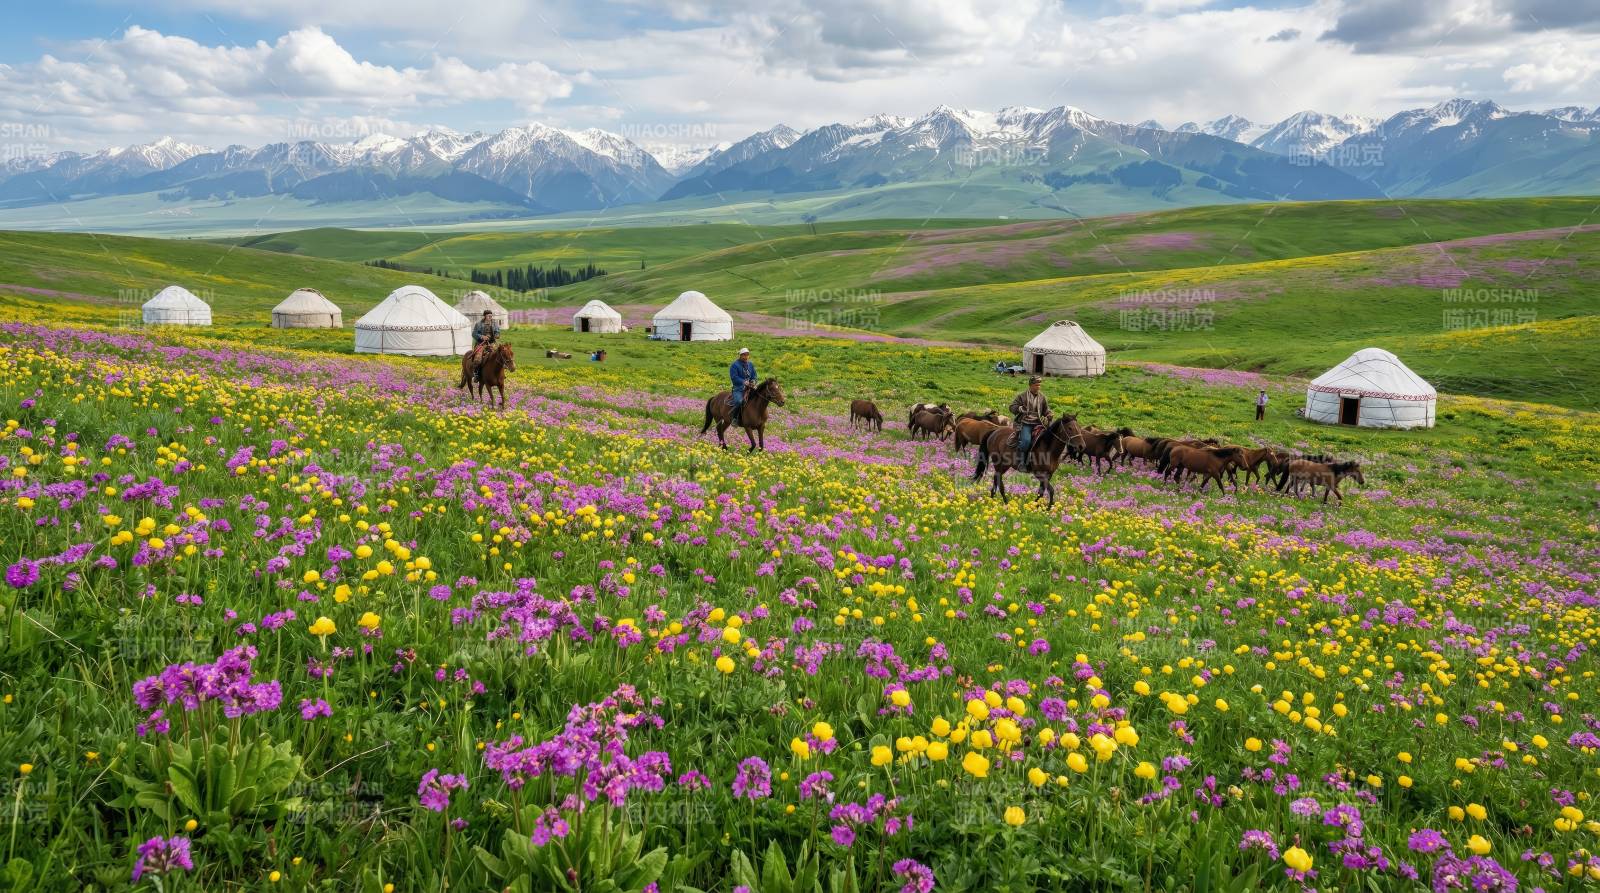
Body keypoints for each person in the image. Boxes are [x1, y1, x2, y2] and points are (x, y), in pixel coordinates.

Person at [1009, 376, 1050, 461]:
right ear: (1030, 385)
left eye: (1039, 385)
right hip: (1026, 423)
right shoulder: (1022, 396)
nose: (1038, 387)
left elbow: (1046, 410)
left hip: (1039, 423)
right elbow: (1012, 407)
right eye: (1036, 385)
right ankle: (1020, 461)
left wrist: (1049, 414)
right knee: (1026, 442)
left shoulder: (1042, 397)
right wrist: (1020, 408)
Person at [728, 347, 757, 427]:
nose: (746, 357)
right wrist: (743, 382)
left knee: (760, 397)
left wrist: (754, 381)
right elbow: (734, 377)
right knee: (739, 401)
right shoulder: (734, 365)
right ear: (740, 356)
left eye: (747, 355)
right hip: (739, 388)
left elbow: (754, 375)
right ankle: (734, 418)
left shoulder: (750, 364)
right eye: (744, 355)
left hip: (750, 387)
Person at [469, 310, 500, 380]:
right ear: (485, 316)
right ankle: (476, 373)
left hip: (492, 343)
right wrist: (482, 337)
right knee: (478, 358)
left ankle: (500, 373)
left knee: (501, 354)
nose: (490, 317)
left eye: (491, 316)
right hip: (481, 344)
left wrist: (497, 335)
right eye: (489, 316)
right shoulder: (479, 324)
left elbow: (497, 331)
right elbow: (474, 334)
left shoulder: (494, 324)